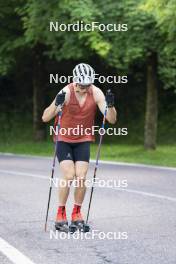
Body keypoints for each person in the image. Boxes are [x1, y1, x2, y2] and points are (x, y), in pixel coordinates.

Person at [42, 63, 117, 231]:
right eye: (81, 86)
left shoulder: (96, 92)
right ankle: (60, 214)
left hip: (83, 138)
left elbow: (111, 120)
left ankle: (77, 213)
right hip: (64, 138)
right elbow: (45, 117)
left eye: (87, 85)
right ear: (75, 81)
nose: (84, 89)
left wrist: (110, 106)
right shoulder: (66, 92)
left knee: (81, 177)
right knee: (69, 175)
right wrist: (56, 105)